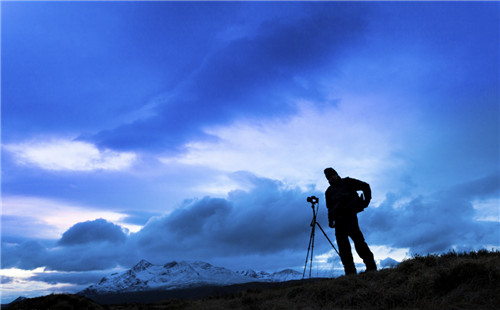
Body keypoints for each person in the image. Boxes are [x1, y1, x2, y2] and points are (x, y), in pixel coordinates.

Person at [324, 167, 377, 275]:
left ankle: (371, 267)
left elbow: (365, 186)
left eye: (332, 175)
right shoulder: (328, 192)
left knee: (359, 243)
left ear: (336, 174)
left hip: (350, 218)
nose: (331, 178)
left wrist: (365, 202)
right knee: (343, 249)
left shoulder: (348, 182)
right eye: (328, 177)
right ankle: (350, 273)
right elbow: (330, 208)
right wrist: (330, 220)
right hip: (338, 223)